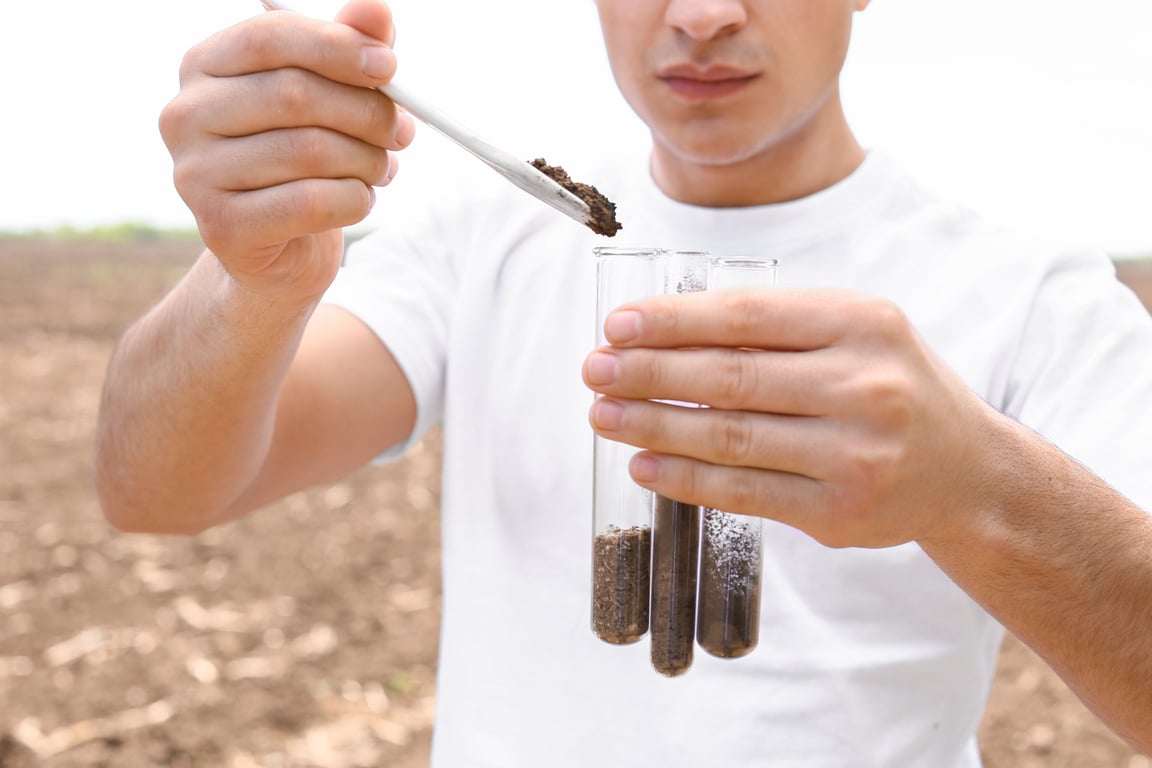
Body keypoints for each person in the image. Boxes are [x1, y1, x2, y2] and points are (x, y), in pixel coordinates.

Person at [96, 0, 1152, 764]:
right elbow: (156, 490)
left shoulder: (1031, 296)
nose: (700, 15)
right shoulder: (478, 240)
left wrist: (979, 486)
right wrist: (254, 282)